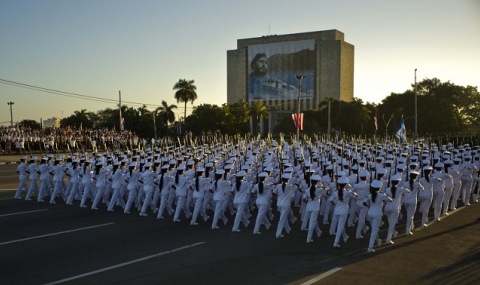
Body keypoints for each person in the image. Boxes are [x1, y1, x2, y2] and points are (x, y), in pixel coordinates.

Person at [363, 180, 393, 253]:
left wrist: (369, 206)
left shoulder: (369, 195)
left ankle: (378, 240)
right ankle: (370, 247)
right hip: (377, 214)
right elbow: (390, 200)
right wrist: (386, 195)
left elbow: (364, 203)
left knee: (374, 229)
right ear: (379, 188)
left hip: (370, 213)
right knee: (374, 231)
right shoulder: (381, 195)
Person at [330, 176, 357, 248]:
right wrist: (351, 191)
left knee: (340, 225)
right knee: (340, 226)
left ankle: (345, 236)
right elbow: (356, 196)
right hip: (344, 211)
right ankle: (336, 242)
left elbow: (331, 200)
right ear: (346, 184)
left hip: (337, 210)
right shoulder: (347, 192)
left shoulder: (335, 192)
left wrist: (336, 205)